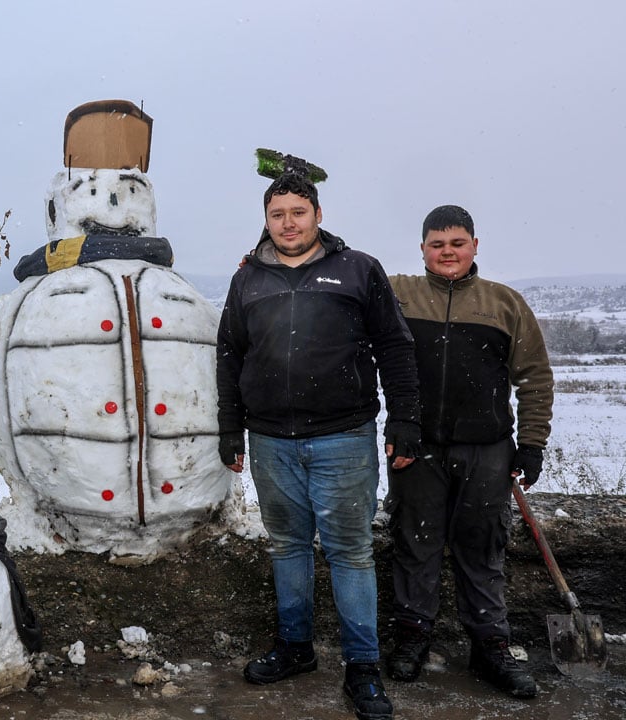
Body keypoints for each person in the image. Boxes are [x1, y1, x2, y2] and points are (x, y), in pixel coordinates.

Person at [216, 167, 421, 720]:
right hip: (271, 441)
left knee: (350, 551)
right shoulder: (248, 279)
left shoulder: (357, 270)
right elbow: (231, 354)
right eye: (277, 214)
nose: (288, 223)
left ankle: (363, 667)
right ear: (266, 219)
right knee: (286, 545)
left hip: (344, 437)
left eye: (297, 212)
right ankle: (295, 647)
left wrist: (406, 420)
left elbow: (395, 349)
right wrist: (230, 426)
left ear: (318, 215)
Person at [384, 205, 552, 698]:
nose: (447, 253)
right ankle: (414, 635)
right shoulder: (398, 293)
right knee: (415, 542)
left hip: (487, 449)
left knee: (483, 547)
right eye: (437, 244)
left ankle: (490, 645)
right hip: (416, 446)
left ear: (475, 245)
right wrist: (260, 255)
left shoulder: (504, 303)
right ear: (422, 250)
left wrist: (533, 444)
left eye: (457, 243)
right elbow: (338, 269)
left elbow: (535, 377)